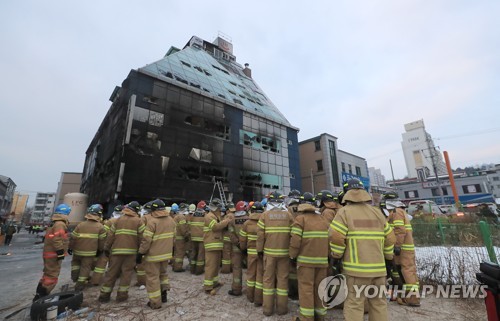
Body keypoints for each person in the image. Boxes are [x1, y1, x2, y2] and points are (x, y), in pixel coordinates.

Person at [330, 179, 396, 321]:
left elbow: (336, 236)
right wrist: (389, 258)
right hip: (379, 270)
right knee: (379, 304)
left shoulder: (344, 212)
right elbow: (390, 237)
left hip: (356, 272)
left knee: (354, 304)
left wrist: (336, 256)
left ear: (347, 193)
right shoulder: (377, 213)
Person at [290, 192, 330, 321]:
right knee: (320, 288)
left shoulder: (300, 219)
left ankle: (306, 318)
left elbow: (295, 241)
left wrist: (292, 256)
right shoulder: (323, 219)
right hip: (323, 261)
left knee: (306, 289)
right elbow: (330, 239)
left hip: (305, 262)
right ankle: (320, 316)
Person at [98, 201, 145, 303]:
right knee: (126, 274)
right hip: (131, 253)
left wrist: (106, 248)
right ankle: (122, 296)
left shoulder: (118, 220)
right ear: (136, 210)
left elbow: (110, 236)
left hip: (116, 252)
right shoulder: (139, 221)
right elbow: (142, 238)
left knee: (111, 273)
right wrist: (141, 252)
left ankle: (104, 296)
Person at [257, 191, 294, 316]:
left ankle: (267, 309)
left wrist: (259, 250)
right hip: (284, 254)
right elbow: (293, 234)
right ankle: (282, 309)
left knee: (268, 280)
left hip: (269, 254)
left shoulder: (264, 215)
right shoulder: (288, 215)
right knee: (282, 280)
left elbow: (260, 236)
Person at [138, 199, 176, 309]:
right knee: (163, 275)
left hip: (153, 256)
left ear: (153, 210)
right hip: (166, 254)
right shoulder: (171, 220)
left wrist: (141, 253)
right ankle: (164, 295)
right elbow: (174, 238)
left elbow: (146, 240)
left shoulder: (152, 222)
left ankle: (155, 302)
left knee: (152, 278)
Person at [384, 198, 420, 306]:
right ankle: (407, 297)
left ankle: (413, 299)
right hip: (405, 248)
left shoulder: (397, 212)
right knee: (405, 272)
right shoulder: (401, 212)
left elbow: (399, 230)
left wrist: (397, 246)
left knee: (407, 272)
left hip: (403, 249)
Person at [33, 204, 71, 301]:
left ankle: (39, 293)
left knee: (47, 274)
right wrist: (60, 252)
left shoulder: (55, 222)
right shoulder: (60, 224)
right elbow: (57, 239)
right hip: (54, 254)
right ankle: (41, 296)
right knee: (52, 276)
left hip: (49, 252)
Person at [69, 204, 106, 291]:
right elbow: (102, 241)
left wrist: (70, 247)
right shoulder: (100, 227)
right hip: (90, 252)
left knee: (76, 264)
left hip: (77, 251)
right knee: (85, 268)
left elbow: (73, 238)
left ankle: (75, 277)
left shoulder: (80, 225)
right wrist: (100, 250)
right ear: (99, 214)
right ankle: (80, 285)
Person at [203, 198, 232, 294]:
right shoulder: (209, 216)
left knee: (215, 265)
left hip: (217, 244)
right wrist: (226, 221)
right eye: (219, 208)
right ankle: (208, 286)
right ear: (216, 208)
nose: (221, 210)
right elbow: (215, 227)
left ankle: (214, 282)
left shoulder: (215, 216)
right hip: (211, 244)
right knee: (210, 266)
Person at [91, 205, 123, 286]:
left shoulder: (109, 221)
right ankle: (116, 275)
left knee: (102, 263)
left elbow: (104, 232)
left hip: (108, 243)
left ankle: (95, 280)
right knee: (115, 261)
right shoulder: (123, 221)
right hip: (118, 244)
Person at [240, 201, 265, 306]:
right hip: (262, 253)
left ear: (252, 210)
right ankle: (258, 299)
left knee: (251, 275)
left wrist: (243, 249)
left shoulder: (247, 223)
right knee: (260, 276)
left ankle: (250, 296)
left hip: (250, 253)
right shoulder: (265, 221)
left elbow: (242, 239)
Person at [227, 200, 249, 296]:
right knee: (252, 269)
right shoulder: (249, 219)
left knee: (236, 268)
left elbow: (231, 234)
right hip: (249, 248)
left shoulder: (232, 220)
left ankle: (236, 289)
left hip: (236, 248)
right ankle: (252, 291)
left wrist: (238, 244)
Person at [188, 201, 207, 275]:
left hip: (193, 237)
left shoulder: (192, 215)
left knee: (193, 254)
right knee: (200, 255)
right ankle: (199, 270)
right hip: (201, 238)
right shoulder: (206, 215)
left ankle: (192, 269)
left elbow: (189, 225)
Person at [172, 203, 189, 272]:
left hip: (176, 238)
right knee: (180, 253)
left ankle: (175, 266)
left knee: (176, 253)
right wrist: (186, 235)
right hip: (180, 239)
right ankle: (178, 267)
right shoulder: (181, 217)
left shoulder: (176, 216)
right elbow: (183, 228)